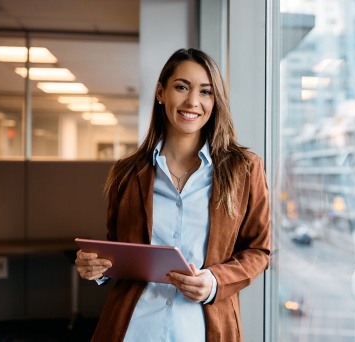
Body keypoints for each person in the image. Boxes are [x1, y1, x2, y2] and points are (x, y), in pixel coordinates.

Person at [75, 48, 271, 342]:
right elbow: (118, 246)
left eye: (205, 92)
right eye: (182, 87)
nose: (193, 101)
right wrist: (96, 267)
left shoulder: (244, 169)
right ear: (160, 92)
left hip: (204, 328)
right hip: (134, 328)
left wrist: (215, 281)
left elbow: (259, 250)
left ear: (215, 101)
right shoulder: (127, 173)